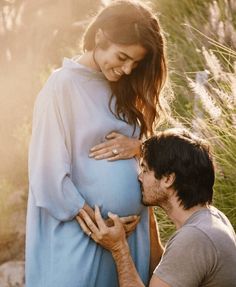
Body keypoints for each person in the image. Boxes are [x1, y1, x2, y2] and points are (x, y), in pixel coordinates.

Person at [25, 1, 168, 286]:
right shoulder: (61, 86)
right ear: (100, 37)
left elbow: (154, 151)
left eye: (135, 63)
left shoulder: (126, 88)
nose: (127, 69)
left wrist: (140, 147)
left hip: (127, 237)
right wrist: (97, 224)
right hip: (82, 233)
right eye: (122, 56)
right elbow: (47, 171)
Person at [78, 128, 236, 287]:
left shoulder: (194, 239)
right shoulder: (212, 219)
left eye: (145, 170)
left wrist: (119, 249)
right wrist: (150, 222)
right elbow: (167, 274)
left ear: (168, 179)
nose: (139, 177)